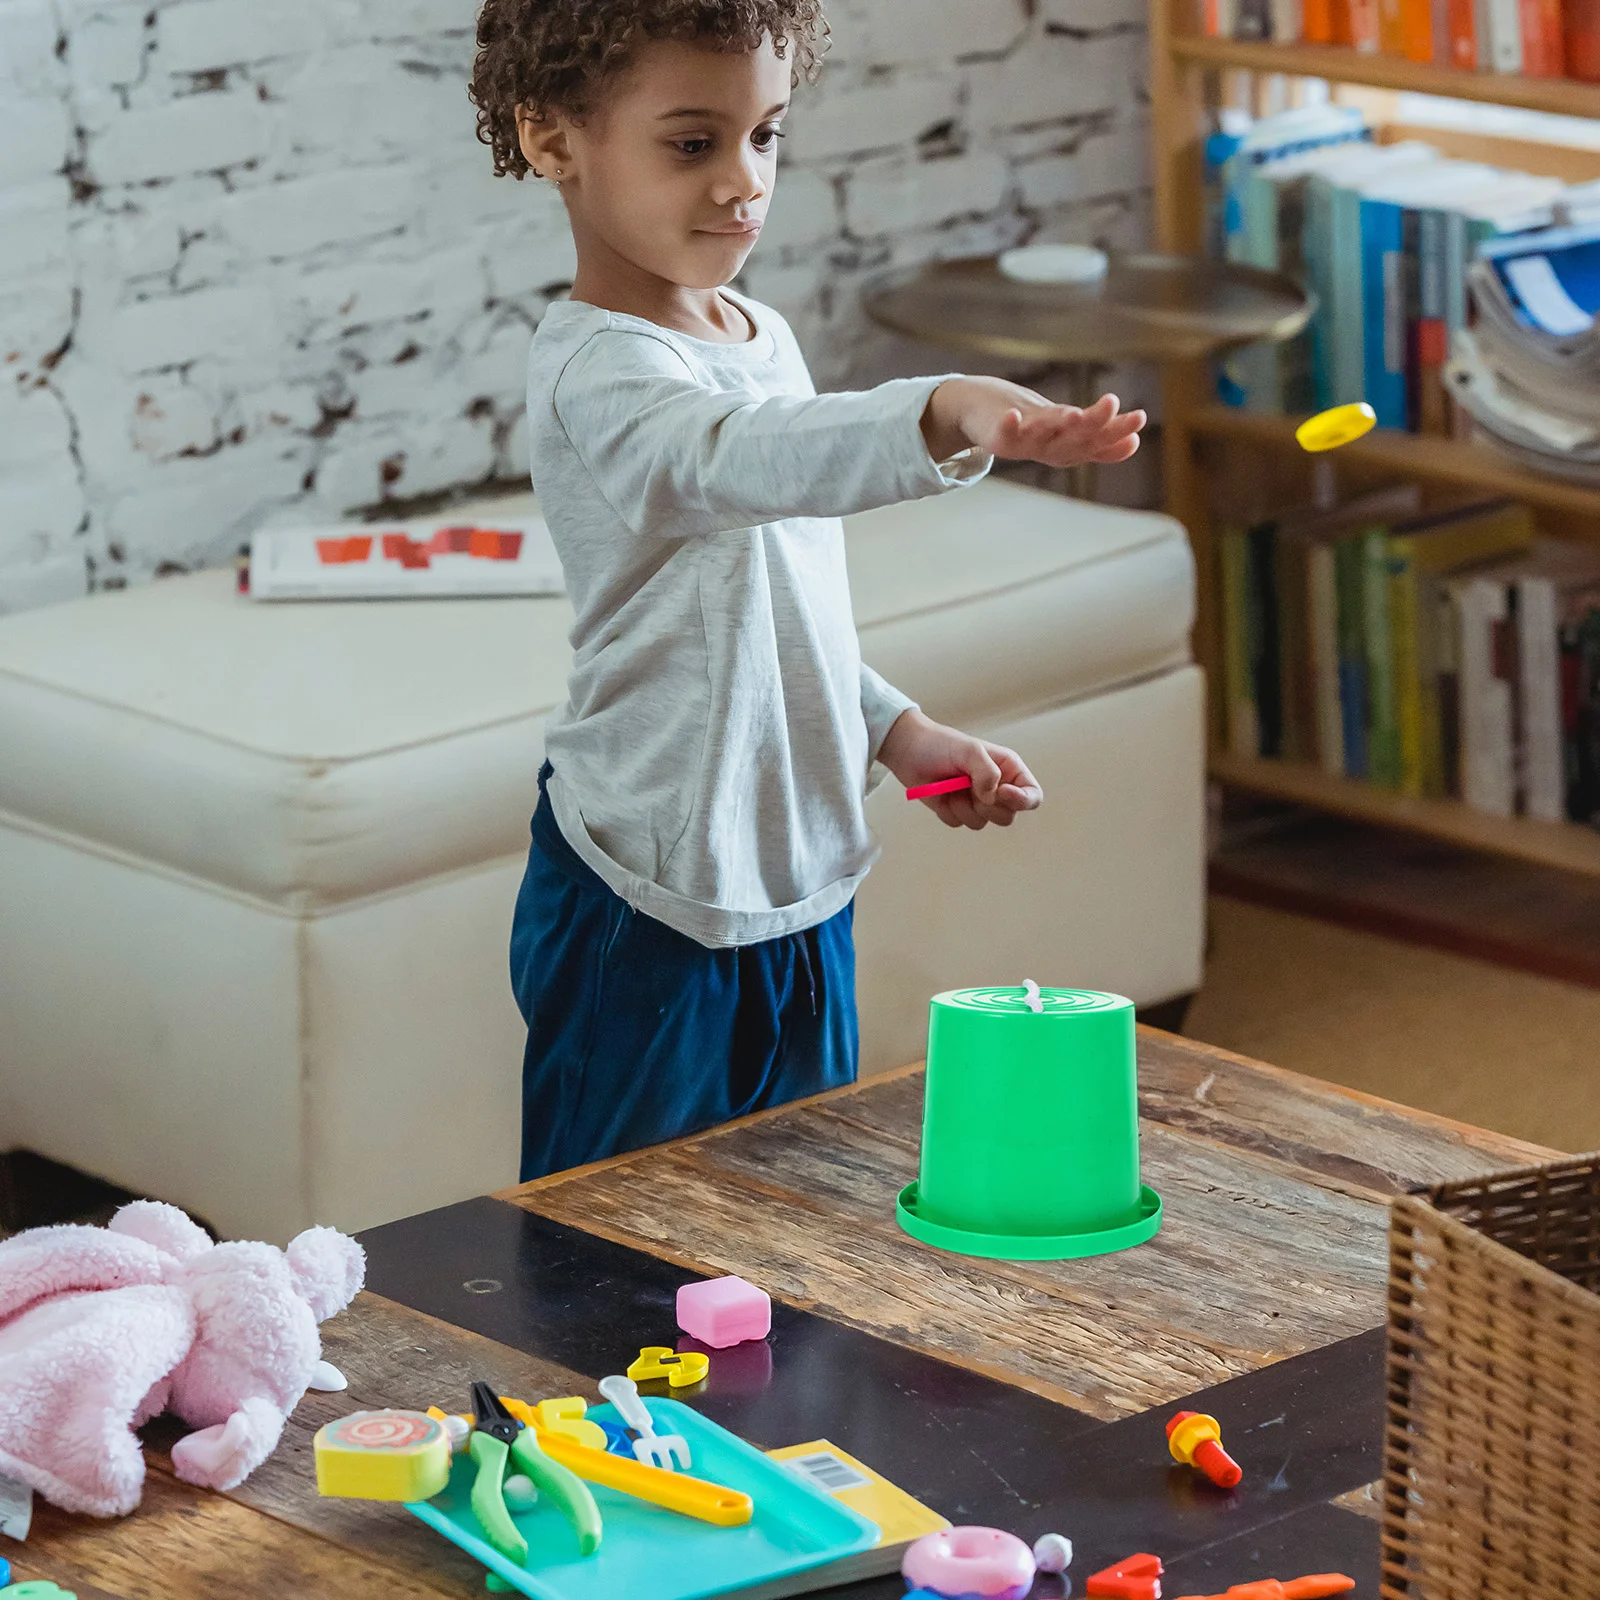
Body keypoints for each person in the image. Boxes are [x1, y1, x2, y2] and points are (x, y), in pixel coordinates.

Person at [468, 0, 1147, 1180]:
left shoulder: (759, 335)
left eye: (766, 135)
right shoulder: (597, 369)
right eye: (692, 143)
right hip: (648, 889)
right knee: (617, 1233)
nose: (743, 181)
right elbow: (732, 455)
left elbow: (772, 604)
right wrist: (941, 407)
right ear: (551, 136)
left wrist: (893, 728)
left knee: (797, 1206)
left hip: (798, 879)